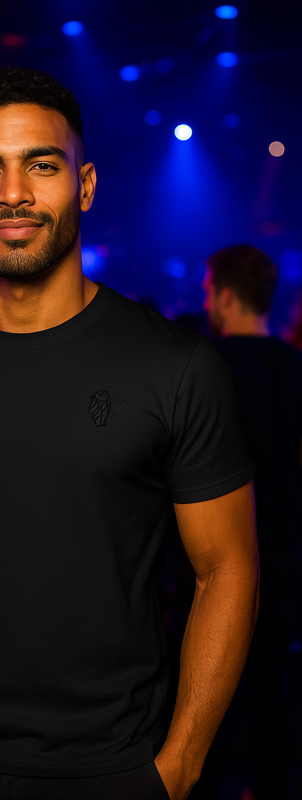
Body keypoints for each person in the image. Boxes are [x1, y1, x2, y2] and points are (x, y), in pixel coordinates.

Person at [0, 67, 259, 800]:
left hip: (111, 769)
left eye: (41, 165)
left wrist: (179, 764)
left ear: (84, 185)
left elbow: (226, 568)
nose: (12, 193)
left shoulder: (176, 368)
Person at [202, 244, 302, 799]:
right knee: (273, 684)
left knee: (208, 683)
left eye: (208, 291)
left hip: (214, 552)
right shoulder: (294, 365)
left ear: (224, 295)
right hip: (282, 547)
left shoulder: (205, 365)